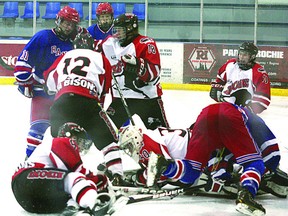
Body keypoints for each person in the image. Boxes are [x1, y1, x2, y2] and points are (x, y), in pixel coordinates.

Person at [118, 102, 288, 216]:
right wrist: (266, 169)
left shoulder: (152, 137)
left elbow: (218, 160)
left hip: (204, 117)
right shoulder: (254, 124)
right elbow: (271, 156)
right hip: (228, 116)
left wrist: (223, 176)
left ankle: (167, 166)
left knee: (191, 173)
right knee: (254, 163)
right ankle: (247, 195)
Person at [44, 32, 130, 186]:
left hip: (60, 105)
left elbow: (50, 82)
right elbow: (103, 90)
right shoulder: (100, 58)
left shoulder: (64, 56)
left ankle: (58, 176)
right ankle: (117, 176)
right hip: (87, 102)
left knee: (59, 143)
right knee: (109, 142)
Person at [98, 13, 170, 176]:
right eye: (115, 30)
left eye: (121, 30)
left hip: (147, 100)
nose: (117, 34)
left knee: (162, 133)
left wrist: (138, 64)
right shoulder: (110, 44)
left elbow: (155, 73)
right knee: (105, 130)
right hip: (120, 99)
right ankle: (112, 161)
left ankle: (169, 162)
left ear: (131, 29)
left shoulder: (146, 43)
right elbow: (96, 53)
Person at [14, 5, 86, 158]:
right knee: (38, 129)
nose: (68, 27)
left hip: (65, 95)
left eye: (72, 24)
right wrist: (26, 82)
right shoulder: (43, 37)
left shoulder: (76, 42)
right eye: (65, 22)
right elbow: (22, 65)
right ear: (58, 20)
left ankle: (64, 161)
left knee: (67, 131)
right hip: (43, 93)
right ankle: (30, 161)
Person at [11, 122, 115, 215]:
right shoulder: (61, 141)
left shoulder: (48, 147)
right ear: (71, 136)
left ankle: (72, 207)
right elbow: (79, 172)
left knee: (70, 187)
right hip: (28, 178)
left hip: (27, 198)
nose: (81, 146)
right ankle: (94, 203)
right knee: (75, 178)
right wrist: (101, 180)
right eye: (80, 140)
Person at [209, 42, 271, 114]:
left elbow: (263, 99)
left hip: (245, 114)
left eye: (245, 55)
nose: (241, 57)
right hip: (225, 108)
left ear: (252, 56)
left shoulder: (259, 73)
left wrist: (248, 110)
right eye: (240, 54)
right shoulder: (230, 65)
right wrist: (217, 90)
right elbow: (219, 81)